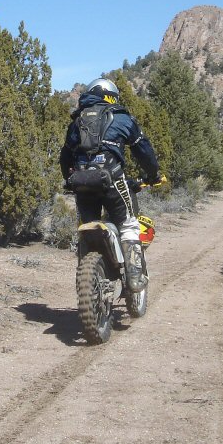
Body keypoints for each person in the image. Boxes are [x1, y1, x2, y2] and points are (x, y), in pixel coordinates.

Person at [59, 77, 164, 292]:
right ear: (112, 96)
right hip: (112, 181)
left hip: (82, 183)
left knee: (86, 229)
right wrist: (153, 175)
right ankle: (135, 277)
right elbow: (143, 150)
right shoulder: (122, 118)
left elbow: (65, 156)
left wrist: (69, 180)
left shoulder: (77, 121)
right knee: (128, 225)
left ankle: (86, 281)